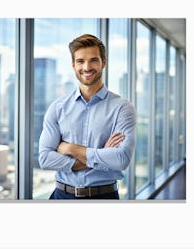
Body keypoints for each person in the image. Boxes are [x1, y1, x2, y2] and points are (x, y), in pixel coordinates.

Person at [39, 34, 136, 199]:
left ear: (103, 62)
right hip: (61, 197)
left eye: (93, 60)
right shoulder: (57, 108)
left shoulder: (122, 108)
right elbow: (45, 159)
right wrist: (102, 154)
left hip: (104, 197)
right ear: (73, 64)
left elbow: (121, 159)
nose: (87, 67)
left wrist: (71, 149)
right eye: (80, 61)